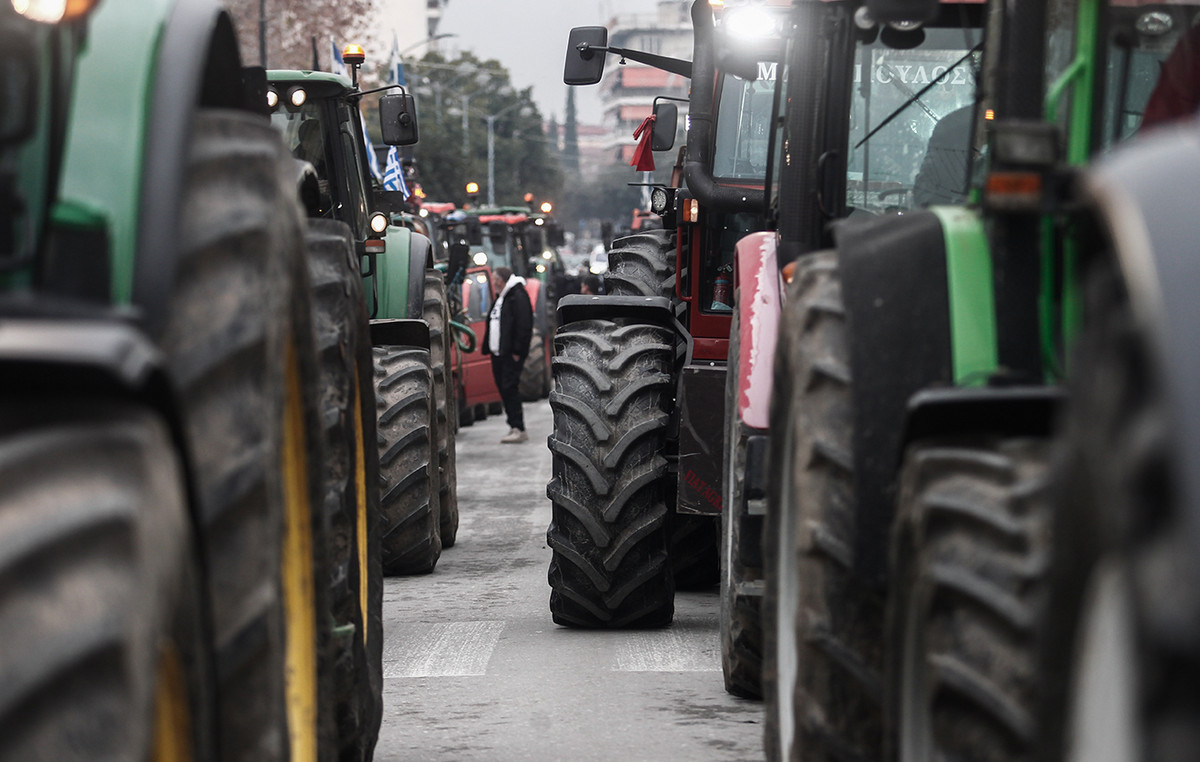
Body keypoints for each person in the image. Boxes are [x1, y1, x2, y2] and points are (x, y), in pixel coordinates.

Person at [482, 266, 533, 443]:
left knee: (510, 388)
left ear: (500, 280)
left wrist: (518, 350)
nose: (493, 282)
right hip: (498, 353)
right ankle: (513, 426)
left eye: (494, 279)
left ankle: (519, 428)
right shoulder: (502, 297)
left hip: (511, 353)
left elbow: (524, 325)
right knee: (504, 389)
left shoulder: (517, 296)